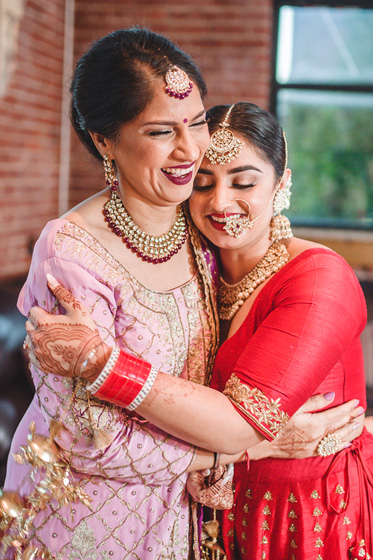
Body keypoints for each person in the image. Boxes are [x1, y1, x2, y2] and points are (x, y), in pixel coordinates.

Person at [1, 27, 358, 560]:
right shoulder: (70, 253)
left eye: (195, 122)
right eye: (162, 131)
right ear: (104, 140)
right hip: (84, 520)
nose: (191, 150)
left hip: (181, 517)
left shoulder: (194, 232)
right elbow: (87, 438)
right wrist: (248, 447)